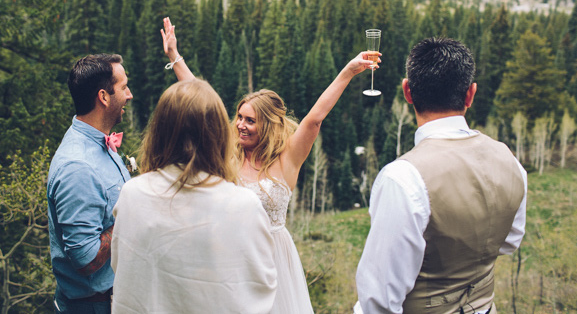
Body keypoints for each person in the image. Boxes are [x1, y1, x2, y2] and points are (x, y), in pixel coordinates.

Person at [161, 17, 380, 313]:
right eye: (239, 117)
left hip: (272, 259)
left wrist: (349, 71)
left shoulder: (288, 157)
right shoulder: (229, 152)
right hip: (230, 255)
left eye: (250, 120)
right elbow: (201, 105)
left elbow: (314, 119)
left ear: (268, 125)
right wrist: (175, 57)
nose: (240, 125)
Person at [354, 37, 528, 314]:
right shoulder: (509, 159)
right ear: (470, 94)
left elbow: (379, 300)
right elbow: (510, 241)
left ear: (408, 92)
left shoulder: (402, 177)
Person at [111, 79, 278, 313]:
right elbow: (262, 285)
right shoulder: (244, 205)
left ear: (159, 132)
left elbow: (122, 269)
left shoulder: (132, 194)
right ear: (218, 135)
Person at [47, 54, 133, 313]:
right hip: (94, 306)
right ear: (104, 97)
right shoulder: (78, 167)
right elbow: (85, 259)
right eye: (124, 87)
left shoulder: (97, 141)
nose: (129, 95)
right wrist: (135, 215)